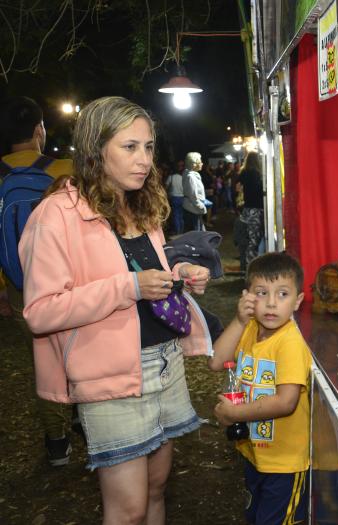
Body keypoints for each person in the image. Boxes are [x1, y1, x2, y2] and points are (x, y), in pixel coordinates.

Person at [19, 96, 213, 524]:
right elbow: (41, 311)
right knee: (127, 510)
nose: (144, 160)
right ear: (94, 148)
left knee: (157, 490)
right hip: (111, 379)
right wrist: (129, 288)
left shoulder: (138, 204)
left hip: (167, 364)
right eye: (129, 147)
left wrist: (180, 272)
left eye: (148, 147)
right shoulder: (56, 216)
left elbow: (148, 267)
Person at [0, 95, 75, 466]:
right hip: (68, 278)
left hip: (19, 285)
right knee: (78, 347)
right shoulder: (63, 168)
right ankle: (83, 418)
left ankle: (56, 440)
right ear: (38, 129)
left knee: (41, 358)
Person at [210, 252, 311, 525]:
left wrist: (234, 414)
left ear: (298, 301)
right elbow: (216, 360)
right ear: (247, 296)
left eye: (282, 294)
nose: (270, 303)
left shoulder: (289, 343)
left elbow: (286, 401)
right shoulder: (250, 328)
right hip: (256, 454)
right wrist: (240, 320)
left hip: (285, 464)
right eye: (261, 293)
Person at [236, 152, 265, 273]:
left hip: (247, 209)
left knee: (249, 240)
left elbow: (237, 188)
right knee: (255, 241)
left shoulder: (244, 173)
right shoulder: (260, 174)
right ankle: (252, 270)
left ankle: (249, 267)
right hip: (257, 209)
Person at [181, 151, 208, 232]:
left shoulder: (191, 175)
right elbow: (193, 196)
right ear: (194, 164)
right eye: (200, 161)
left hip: (193, 209)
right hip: (193, 209)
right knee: (196, 237)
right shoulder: (190, 177)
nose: (202, 163)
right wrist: (201, 207)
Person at [164, 160, 185, 235]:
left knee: (175, 215)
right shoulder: (183, 177)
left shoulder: (171, 177)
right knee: (181, 215)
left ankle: (178, 231)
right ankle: (181, 230)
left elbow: (166, 187)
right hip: (182, 198)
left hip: (174, 198)